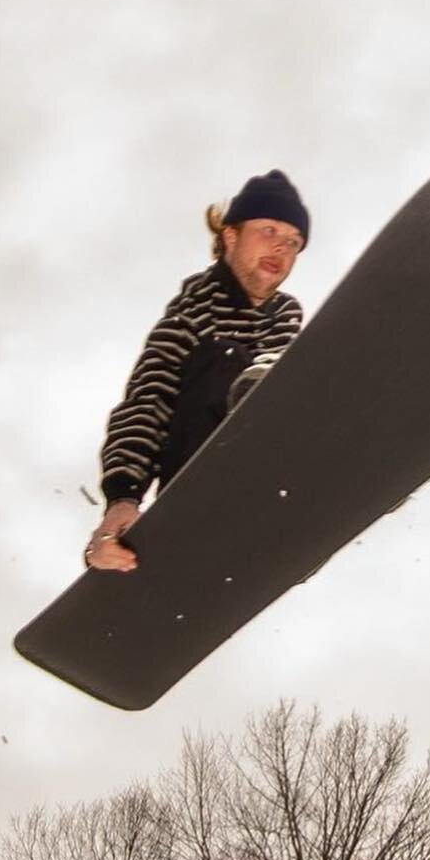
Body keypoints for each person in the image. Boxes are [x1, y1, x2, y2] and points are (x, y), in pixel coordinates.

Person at [84, 170, 310, 572]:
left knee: (307, 376)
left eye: (293, 242)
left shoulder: (289, 315)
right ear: (230, 236)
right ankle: (242, 430)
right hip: (204, 466)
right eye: (269, 230)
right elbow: (146, 402)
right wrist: (123, 500)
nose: (282, 247)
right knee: (227, 359)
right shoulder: (192, 313)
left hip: (275, 477)